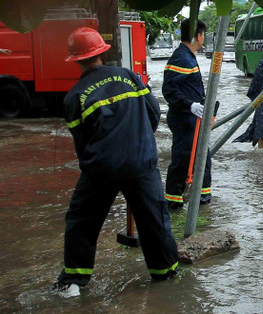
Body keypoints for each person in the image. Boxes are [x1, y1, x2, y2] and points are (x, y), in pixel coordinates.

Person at [54, 28, 179, 297]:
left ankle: (73, 282)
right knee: (155, 219)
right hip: (141, 160)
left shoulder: (74, 96)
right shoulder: (129, 77)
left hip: (101, 167)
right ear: (101, 52)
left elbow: (82, 143)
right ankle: (165, 274)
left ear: (75, 60)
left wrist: (96, 164)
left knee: (81, 220)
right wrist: (139, 140)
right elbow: (154, 113)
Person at [162, 20, 211, 210]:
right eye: (203, 35)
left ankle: (202, 200)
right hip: (185, 119)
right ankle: (174, 203)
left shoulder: (187, 56)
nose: (203, 38)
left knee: (201, 158)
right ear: (198, 36)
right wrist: (190, 105)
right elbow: (169, 90)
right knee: (183, 160)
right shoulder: (181, 58)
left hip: (192, 119)